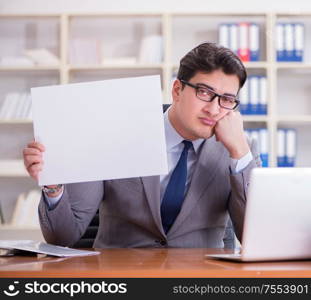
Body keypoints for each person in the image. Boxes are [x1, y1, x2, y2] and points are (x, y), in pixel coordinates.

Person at [23, 42, 261, 248]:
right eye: (204, 92)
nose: (213, 109)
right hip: (121, 277)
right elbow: (62, 236)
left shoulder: (240, 148)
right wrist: (53, 186)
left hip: (198, 278)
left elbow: (255, 238)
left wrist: (239, 154)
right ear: (177, 90)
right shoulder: (116, 134)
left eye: (227, 100)